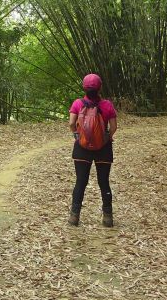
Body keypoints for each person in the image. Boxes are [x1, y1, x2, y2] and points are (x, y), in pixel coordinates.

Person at [67, 73, 117, 227]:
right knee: (104, 182)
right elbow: (114, 127)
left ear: (84, 87)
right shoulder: (107, 105)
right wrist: (106, 138)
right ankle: (108, 218)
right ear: (100, 87)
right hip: (104, 148)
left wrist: (78, 136)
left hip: (82, 148)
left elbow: (71, 123)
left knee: (81, 182)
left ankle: (74, 217)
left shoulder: (77, 103)